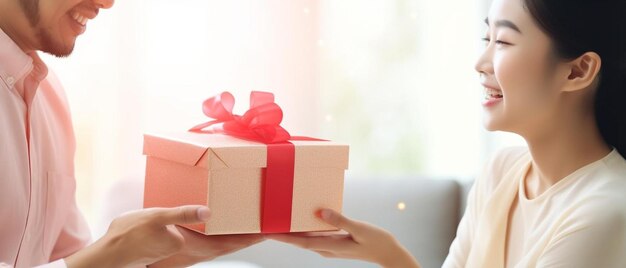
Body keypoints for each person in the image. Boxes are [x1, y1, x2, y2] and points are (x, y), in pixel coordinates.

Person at [269, 0, 626, 267]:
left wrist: (392, 256)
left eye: (502, 42)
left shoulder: (608, 210)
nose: (480, 62)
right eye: (486, 37)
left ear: (578, 71)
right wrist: (389, 254)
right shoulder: (501, 169)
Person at [0, 0, 263, 267]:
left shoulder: (49, 95)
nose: (107, 3)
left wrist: (156, 257)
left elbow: (68, 257)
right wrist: (113, 252)